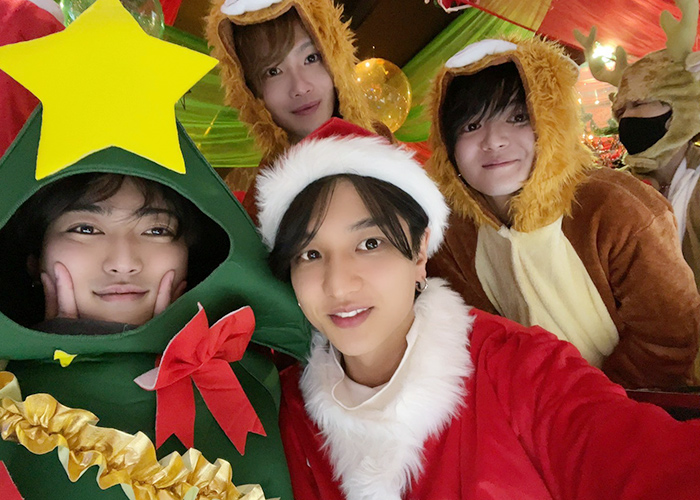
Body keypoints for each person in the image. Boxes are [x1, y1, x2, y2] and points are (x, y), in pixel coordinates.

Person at [254, 118, 700, 500]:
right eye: (310, 254)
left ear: (420, 251)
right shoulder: (278, 410)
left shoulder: (519, 370)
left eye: (370, 244)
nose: (337, 284)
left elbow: (645, 462)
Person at [0, 3, 310, 497]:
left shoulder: (256, 383)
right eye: (85, 228)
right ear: (35, 254)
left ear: (193, 253)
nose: (124, 261)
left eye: (157, 230)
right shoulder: (9, 400)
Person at [424, 37, 700, 389]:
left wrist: (591, 405)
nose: (494, 140)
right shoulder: (452, 238)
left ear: (552, 122)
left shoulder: (613, 207)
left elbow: (667, 337)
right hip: (531, 413)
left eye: (518, 118)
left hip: (639, 408)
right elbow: (479, 341)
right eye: (471, 126)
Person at [206, 0, 374, 217]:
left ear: (335, 58)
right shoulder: (264, 202)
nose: (300, 87)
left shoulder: (387, 151)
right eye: (273, 72)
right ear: (251, 92)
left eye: (311, 58)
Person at [576, 0, 700, 291]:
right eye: (621, 110)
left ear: (680, 110)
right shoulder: (617, 187)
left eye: (639, 104)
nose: (627, 118)